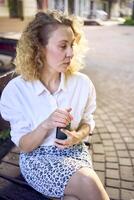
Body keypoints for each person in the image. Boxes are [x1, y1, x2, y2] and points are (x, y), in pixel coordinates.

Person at [0, 10, 109, 200]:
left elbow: (87, 122)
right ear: (39, 48)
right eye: (63, 46)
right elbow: (25, 147)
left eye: (72, 45)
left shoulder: (82, 84)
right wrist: (46, 124)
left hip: (75, 153)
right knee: (88, 182)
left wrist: (77, 136)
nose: (71, 53)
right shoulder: (17, 90)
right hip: (37, 159)